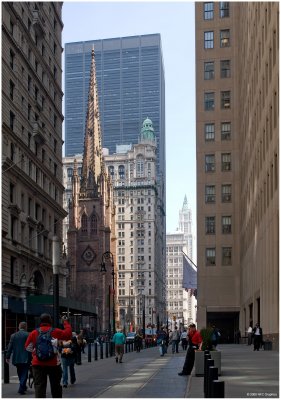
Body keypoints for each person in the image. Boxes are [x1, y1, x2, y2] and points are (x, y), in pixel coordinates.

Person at [25, 313, 72, 398]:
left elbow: (27, 347)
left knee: (39, 387)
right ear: (50, 321)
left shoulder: (34, 332)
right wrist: (65, 322)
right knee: (56, 386)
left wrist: (36, 352)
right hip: (53, 363)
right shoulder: (55, 331)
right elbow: (68, 334)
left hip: (38, 364)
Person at [6, 322, 31, 395]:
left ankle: (22, 385)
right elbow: (31, 346)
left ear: (19, 327)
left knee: (20, 372)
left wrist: (7, 357)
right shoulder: (28, 335)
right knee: (24, 373)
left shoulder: (13, 336)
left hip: (16, 357)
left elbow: (9, 347)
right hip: (26, 357)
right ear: (26, 327)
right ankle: (21, 387)